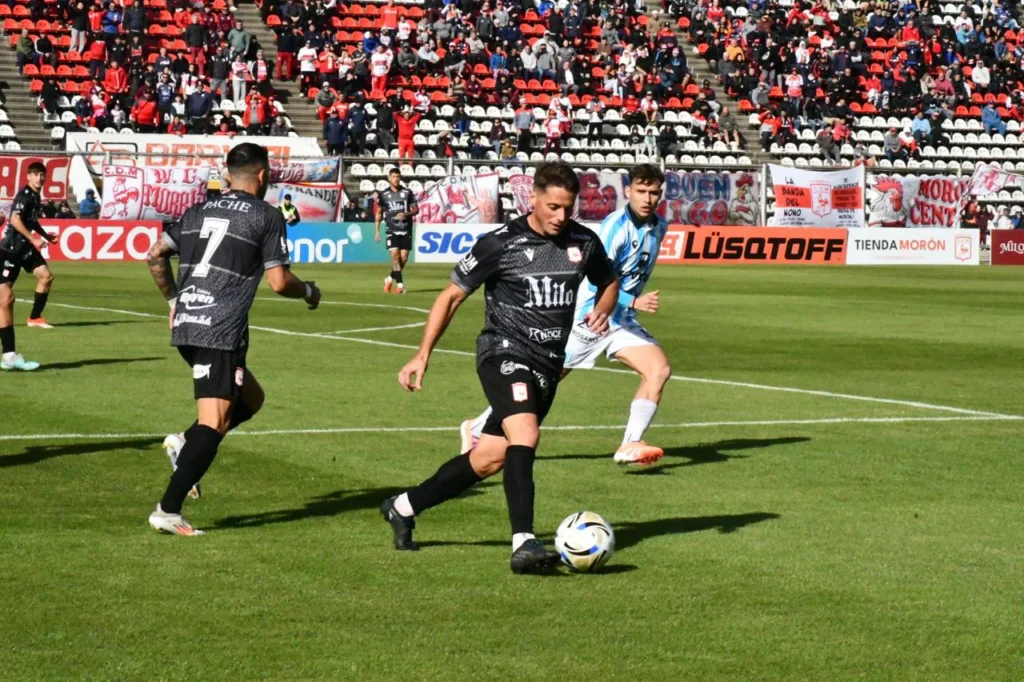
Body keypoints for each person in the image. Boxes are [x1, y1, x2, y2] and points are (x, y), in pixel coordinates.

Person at [382, 162, 619, 573]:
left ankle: (401, 507)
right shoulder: (501, 243)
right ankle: (524, 542)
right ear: (534, 199)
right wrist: (422, 354)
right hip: (503, 353)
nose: (561, 216)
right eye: (553, 207)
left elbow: (609, 279)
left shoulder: (584, 241)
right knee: (525, 433)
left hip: (548, 365)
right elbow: (450, 297)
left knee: (489, 458)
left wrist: (604, 307)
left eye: (568, 207)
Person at [145, 143, 321, 534]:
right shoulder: (265, 215)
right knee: (215, 421)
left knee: (251, 399)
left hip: (188, 322)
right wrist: (309, 291)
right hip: (219, 328)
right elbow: (279, 282)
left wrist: (174, 301)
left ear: (227, 175)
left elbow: (155, 254)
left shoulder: (197, 210)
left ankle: (184, 441)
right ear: (263, 175)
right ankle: (168, 509)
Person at [463, 164, 669, 465]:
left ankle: (630, 443)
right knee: (543, 380)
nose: (647, 198)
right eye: (641, 191)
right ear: (628, 191)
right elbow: (598, 280)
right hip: (590, 316)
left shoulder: (660, 226)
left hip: (620, 319)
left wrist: (627, 305)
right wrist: (632, 300)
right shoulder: (615, 227)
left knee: (658, 369)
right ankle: (478, 427)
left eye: (653, 192)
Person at [0, 162, 59, 371]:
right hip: (12, 249)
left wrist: (45, 236)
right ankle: (9, 356)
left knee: (45, 276)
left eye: (42, 174)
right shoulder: (24, 195)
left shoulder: (35, 197)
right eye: (35, 174)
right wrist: (33, 239)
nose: (39, 178)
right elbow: (15, 219)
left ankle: (34, 318)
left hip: (24, 249)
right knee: (6, 298)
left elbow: (31, 222)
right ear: (28, 176)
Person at [374, 168, 418, 294]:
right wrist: (377, 231)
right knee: (395, 256)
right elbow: (379, 213)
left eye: (398, 176)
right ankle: (400, 286)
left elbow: (416, 210)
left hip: (406, 229)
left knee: (403, 259)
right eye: (393, 176)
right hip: (391, 229)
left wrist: (406, 214)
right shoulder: (383, 195)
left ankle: (389, 279)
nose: (396, 179)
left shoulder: (407, 192)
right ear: (389, 178)